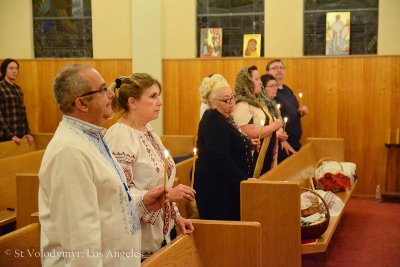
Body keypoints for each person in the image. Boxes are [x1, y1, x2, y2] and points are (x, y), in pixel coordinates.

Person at [38, 64, 167, 267]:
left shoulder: (93, 137)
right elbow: (81, 241)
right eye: (102, 89)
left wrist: (142, 203)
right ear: (81, 104)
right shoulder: (69, 151)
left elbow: (109, 204)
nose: (111, 95)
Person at [104, 73, 194, 261]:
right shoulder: (120, 136)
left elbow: (162, 182)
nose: (159, 102)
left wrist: (176, 217)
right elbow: (120, 193)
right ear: (132, 102)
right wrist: (168, 196)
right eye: (152, 96)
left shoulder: (147, 130)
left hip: (161, 232)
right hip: (137, 239)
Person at [194, 74, 259, 221]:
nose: (231, 103)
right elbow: (221, 159)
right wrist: (244, 181)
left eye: (232, 97)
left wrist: (247, 145)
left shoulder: (224, 116)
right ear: (212, 103)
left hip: (227, 186)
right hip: (218, 191)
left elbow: (230, 142)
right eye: (226, 100)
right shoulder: (212, 121)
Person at [232, 66, 283, 176]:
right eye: (256, 79)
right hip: (253, 158)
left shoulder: (257, 103)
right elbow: (247, 134)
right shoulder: (242, 106)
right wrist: (273, 127)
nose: (260, 83)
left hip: (267, 156)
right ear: (247, 82)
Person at [262, 59, 308, 163]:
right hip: (281, 144)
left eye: (281, 68)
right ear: (267, 72)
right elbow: (270, 117)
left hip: (294, 142)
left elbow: (290, 113)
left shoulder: (287, 89)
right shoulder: (269, 93)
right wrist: (282, 141)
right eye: (275, 68)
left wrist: (301, 113)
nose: (279, 70)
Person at [259, 74, 296, 159]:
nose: (275, 88)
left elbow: (278, 122)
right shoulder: (259, 105)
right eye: (272, 86)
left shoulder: (273, 103)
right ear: (263, 89)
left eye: (276, 85)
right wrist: (275, 134)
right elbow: (260, 128)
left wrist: (282, 137)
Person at [0, 58, 34, 145]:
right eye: (11, 68)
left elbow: (23, 113)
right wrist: (9, 135)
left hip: (20, 136)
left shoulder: (18, 89)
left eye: (16, 68)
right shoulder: (1, 87)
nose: (14, 71)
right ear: (4, 70)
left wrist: (27, 132)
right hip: (5, 137)